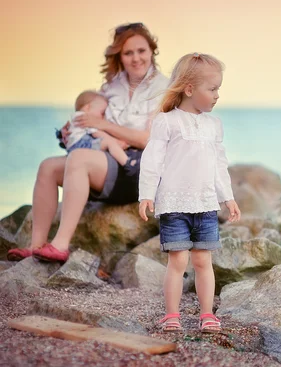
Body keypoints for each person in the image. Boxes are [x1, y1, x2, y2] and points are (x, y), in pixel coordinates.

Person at [7, 22, 169, 263]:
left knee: (79, 160)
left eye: (141, 51)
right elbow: (93, 124)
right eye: (128, 53)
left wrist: (105, 127)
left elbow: (149, 139)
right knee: (48, 167)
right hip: (106, 161)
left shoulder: (164, 88)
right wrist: (74, 130)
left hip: (139, 169)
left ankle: (60, 245)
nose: (136, 58)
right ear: (119, 57)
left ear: (152, 51)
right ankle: (36, 246)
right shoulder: (111, 87)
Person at [138, 52, 241, 333]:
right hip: (174, 204)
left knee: (202, 260)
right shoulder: (167, 122)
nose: (217, 95)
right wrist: (146, 194)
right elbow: (152, 160)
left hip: (205, 205)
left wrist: (227, 197)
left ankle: (207, 314)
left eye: (218, 88)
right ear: (189, 89)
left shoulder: (213, 125)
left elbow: (219, 165)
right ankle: (172, 315)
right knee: (178, 261)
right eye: (213, 89)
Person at [65, 91, 129, 167]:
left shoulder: (76, 117)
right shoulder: (85, 118)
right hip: (81, 145)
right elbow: (97, 133)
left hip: (72, 149)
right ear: (87, 108)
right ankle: (128, 163)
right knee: (109, 143)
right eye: (102, 113)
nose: (103, 117)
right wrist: (116, 141)